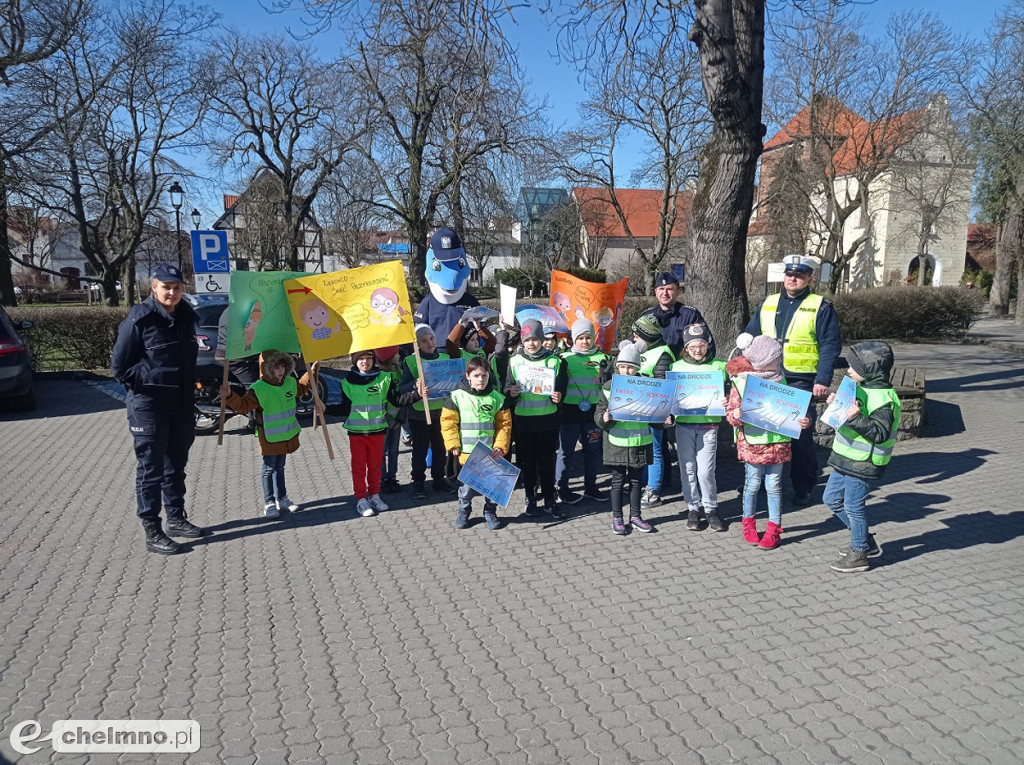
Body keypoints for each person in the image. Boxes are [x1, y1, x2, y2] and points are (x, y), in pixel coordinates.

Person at [111, 264, 206, 555]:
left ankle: (176, 518)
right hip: (149, 405)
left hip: (181, 403)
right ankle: (152, 529)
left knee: (175, 466)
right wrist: (150, 385)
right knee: (151, 469)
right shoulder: (140, 320)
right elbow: (119, 366)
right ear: (153, 287)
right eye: (166, 287)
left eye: (177, 287)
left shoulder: (188, 316)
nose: (172, 292)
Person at [745, 254, 841, 506]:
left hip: (801, 381)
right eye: (789, 274)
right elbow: (751, 336)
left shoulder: (820, 306)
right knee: (766, 432)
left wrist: (822, 379)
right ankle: (765, 482)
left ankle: (803, 486)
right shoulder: (768, 302)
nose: (792, 279)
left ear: (809, 278)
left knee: (800, 436)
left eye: (798, 275)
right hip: (767, 377)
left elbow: (830, 345)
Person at [725, 334, 811, 550]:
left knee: (774, 486)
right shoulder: (742, 382)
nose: (780, 360)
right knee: (752, 484)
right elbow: (731, 416)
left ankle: (774, 528)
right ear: (763, 360)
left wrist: (803, 421)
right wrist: (736, 413)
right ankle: (748, 522)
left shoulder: (781, 379)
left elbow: (793, 412)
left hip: (778, 443)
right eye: (776, 357)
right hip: (754, 443)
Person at [823, 341, 901, 573]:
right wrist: (837, 404)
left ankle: (859, 554)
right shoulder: (861, 386)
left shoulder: (884, 399)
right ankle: (865, 541)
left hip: (863, 462)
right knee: (831, 499)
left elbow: (879, 433)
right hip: (845, 457)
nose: (848, 370)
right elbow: (851, 410)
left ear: (870, 371)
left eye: (854, 367)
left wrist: (854, 417)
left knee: (854, 507)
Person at [219, 351, 321, 518]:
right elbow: (244, 406)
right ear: (266, 369)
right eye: (275, 367)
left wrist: (313, 371)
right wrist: (230, 396)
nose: (280, 370)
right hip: (269, 437)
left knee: (280, 467)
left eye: (282, 366)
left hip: (286, 435)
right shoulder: (259, 388)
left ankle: (282, 499)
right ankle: (269, 503)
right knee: (268, 469)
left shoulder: (289, 382)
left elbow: (302, 388)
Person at [594, 341, 666, 535]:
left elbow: (655, 417)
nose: (626, 371)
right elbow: (598, 414)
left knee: (636, 482)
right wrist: (604, 418)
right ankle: (617, 517)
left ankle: (635, 516)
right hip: (616, 443)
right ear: (618, 367)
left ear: (637, 369)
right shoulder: (609, 387)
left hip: (640, 441)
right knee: (617, 482)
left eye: (631, 368)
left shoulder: (647, 386)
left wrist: (665, 419)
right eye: (623, 367)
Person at [336, 349, 417, 517]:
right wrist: (324, 408)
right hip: (357, 434)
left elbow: (398, 401)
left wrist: (417, 395)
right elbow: (344, 408)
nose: (365, 362)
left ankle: (374, 495)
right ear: (354, 361)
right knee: (359, 468)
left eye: (368, 358)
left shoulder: (384, 379)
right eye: (361, 359)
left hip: (378, 432)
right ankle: (361, 499)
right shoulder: (347, 382)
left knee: (375, 467)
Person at [503, 319, 567, 518]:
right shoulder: (514, 361)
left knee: (547, 463)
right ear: (523, 340)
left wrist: (559, 396)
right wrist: (511, 392)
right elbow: (506, 388)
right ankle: (530, 498)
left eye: (536, 339)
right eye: (528, 339)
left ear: (542, 340)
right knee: (528, 464)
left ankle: (549, 498)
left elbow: (562, 388)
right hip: (523, 422)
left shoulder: (555, 361)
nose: (532, 343)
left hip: (547, 421)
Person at [441, 355, 513, 530]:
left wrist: (500, 446)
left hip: (490, 455)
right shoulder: (456, 397)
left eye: (484, 376)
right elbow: (448, 422)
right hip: (467, 455)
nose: (481, 379)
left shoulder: (497, 398)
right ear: (468, 376)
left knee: (492, 488)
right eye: (476, 376)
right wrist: (453, 445)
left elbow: (504, 425)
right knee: (466, 490)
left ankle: (490, 512)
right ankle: (464, 511)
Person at [670, 324, 729, 532]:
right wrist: (668, 413)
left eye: (702, 344)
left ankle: (711, 508)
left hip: (709, 425)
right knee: (687, 468)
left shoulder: (719, 366)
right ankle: (693, 508)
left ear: (708, 345)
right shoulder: (676, 368)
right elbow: (670, 397)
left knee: (705, 471)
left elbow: (732, 392)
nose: (697, 349)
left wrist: (727, 400)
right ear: (686, 347)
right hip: (684, 425)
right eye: (693, 345)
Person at [400, 324, 457, 499]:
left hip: (442, 412)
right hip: (420, 414)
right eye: (423, 341)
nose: (429, 343)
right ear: (417, 344)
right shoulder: (411, 361)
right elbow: (403, 387)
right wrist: (415, 386)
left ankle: (438, 479)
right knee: (420, 450)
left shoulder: (446, 358)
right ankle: (418, 483)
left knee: (440, 449)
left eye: (431, 338)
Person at [556, 318, 610, 504]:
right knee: (566, 452)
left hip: (593, 413)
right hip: (569, 413)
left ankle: (591, 487)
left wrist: (606, 377)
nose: (585, 342)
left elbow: (610, 387)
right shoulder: (563, 358)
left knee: (593, 451)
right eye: (580, 338)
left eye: (588, 337)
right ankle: (561, 488)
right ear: (573, 339)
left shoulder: (604, 358)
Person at [632, 314, 675, 509]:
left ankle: (653, 490)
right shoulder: (644, 349)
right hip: (640, 409)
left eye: (637, 334)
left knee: (655, 450)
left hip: (655, 410)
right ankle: (644, 482)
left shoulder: (662, 354)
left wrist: (639, 379)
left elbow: (661, 385)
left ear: (647, 335)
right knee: (644, 449)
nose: (634, 337)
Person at [640, 271, 716, 358]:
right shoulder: (647, 316)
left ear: (677, 292)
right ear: (656, 292)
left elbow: (708, 344)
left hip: (682, 367)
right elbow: (636, 343)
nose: (665, 293)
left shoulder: (690, 315)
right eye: (661, 289)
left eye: (669, 289)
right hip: (653, 367)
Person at [375, 346, 405, 494]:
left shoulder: (399, 371)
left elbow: (404, 394)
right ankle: (382, 479)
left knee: (394, 450)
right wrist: (388, 419)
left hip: (397, 419)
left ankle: (392, 477)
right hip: (383, 421)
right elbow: (379, 401)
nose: (399, 355)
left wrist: (400, 418)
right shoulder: (378, 375)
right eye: (396, 353)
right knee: (381, 451)